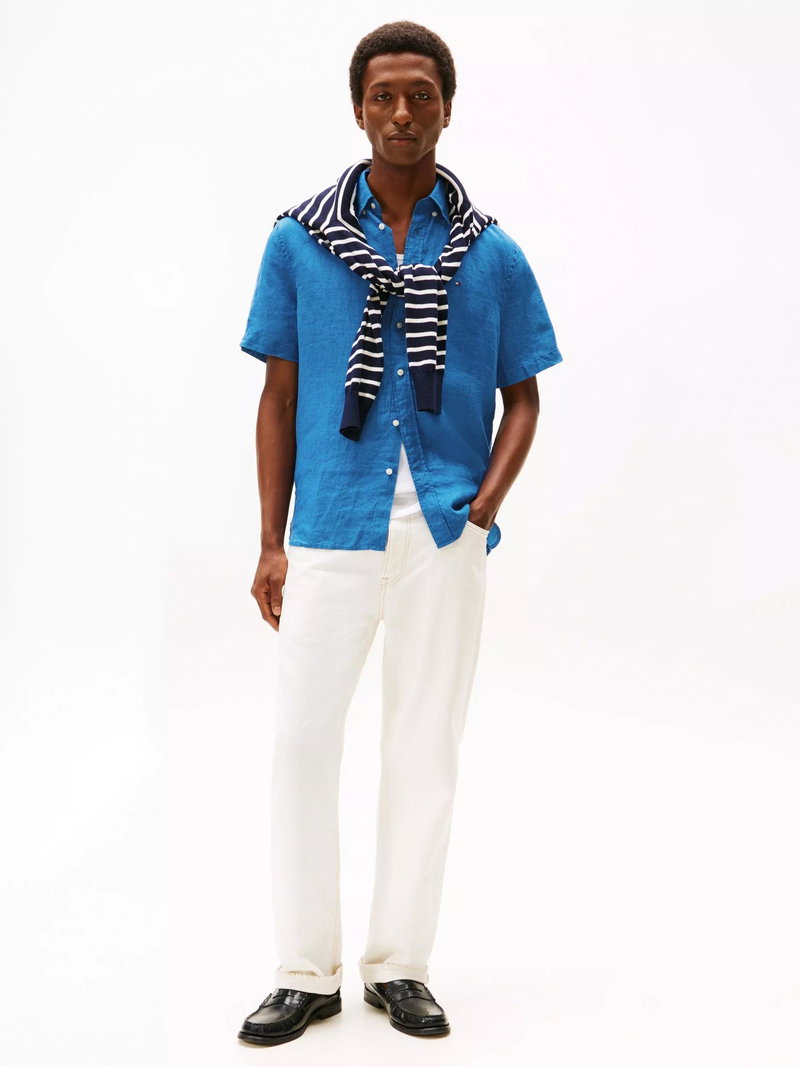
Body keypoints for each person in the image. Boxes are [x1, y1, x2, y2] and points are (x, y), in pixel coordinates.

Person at [236, 20, 564, 1046]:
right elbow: (278, 396)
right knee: (301, 741)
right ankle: (304, 969)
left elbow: (524, 396)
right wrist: (270, 539)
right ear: (358, 109)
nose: (401, 112)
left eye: (420, 94)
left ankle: (399, 964)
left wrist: (482, 509)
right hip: (330, 525)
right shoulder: (297, 242)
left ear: (446, 109)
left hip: (441, 532)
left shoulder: (490, 253)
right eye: (383, 95)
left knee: (424, 747)